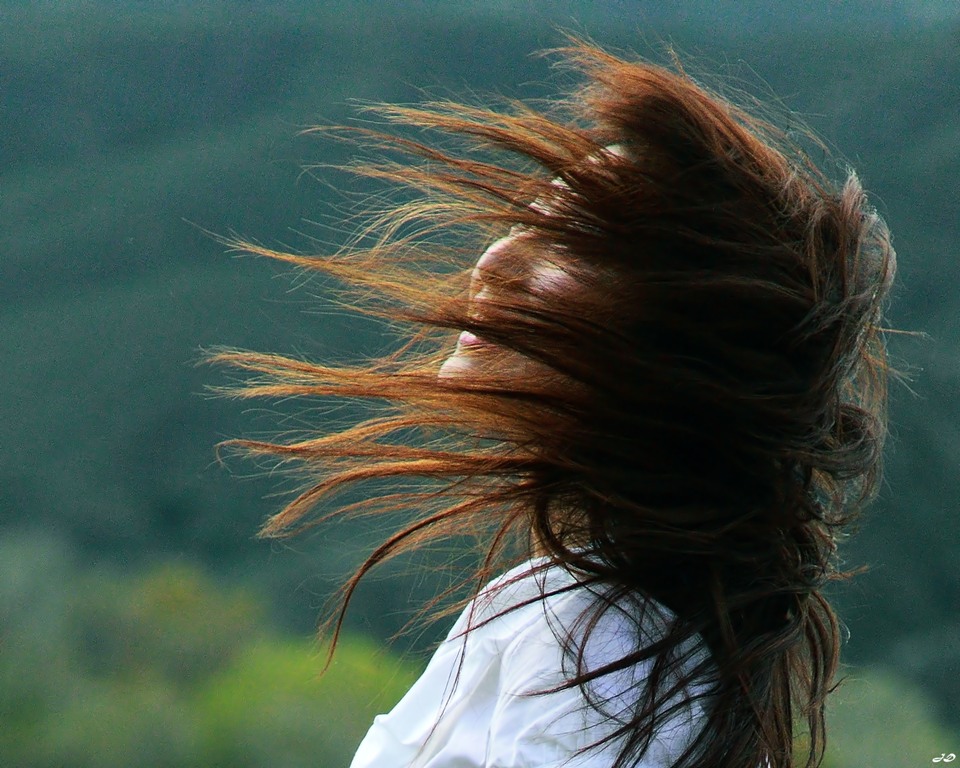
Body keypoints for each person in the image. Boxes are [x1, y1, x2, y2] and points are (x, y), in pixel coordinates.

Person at [212, 41, 896, 768]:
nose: (495, 262)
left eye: (568, 245)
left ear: (676, 345)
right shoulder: (617, 634)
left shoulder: (599, 655)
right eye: (523, 224)